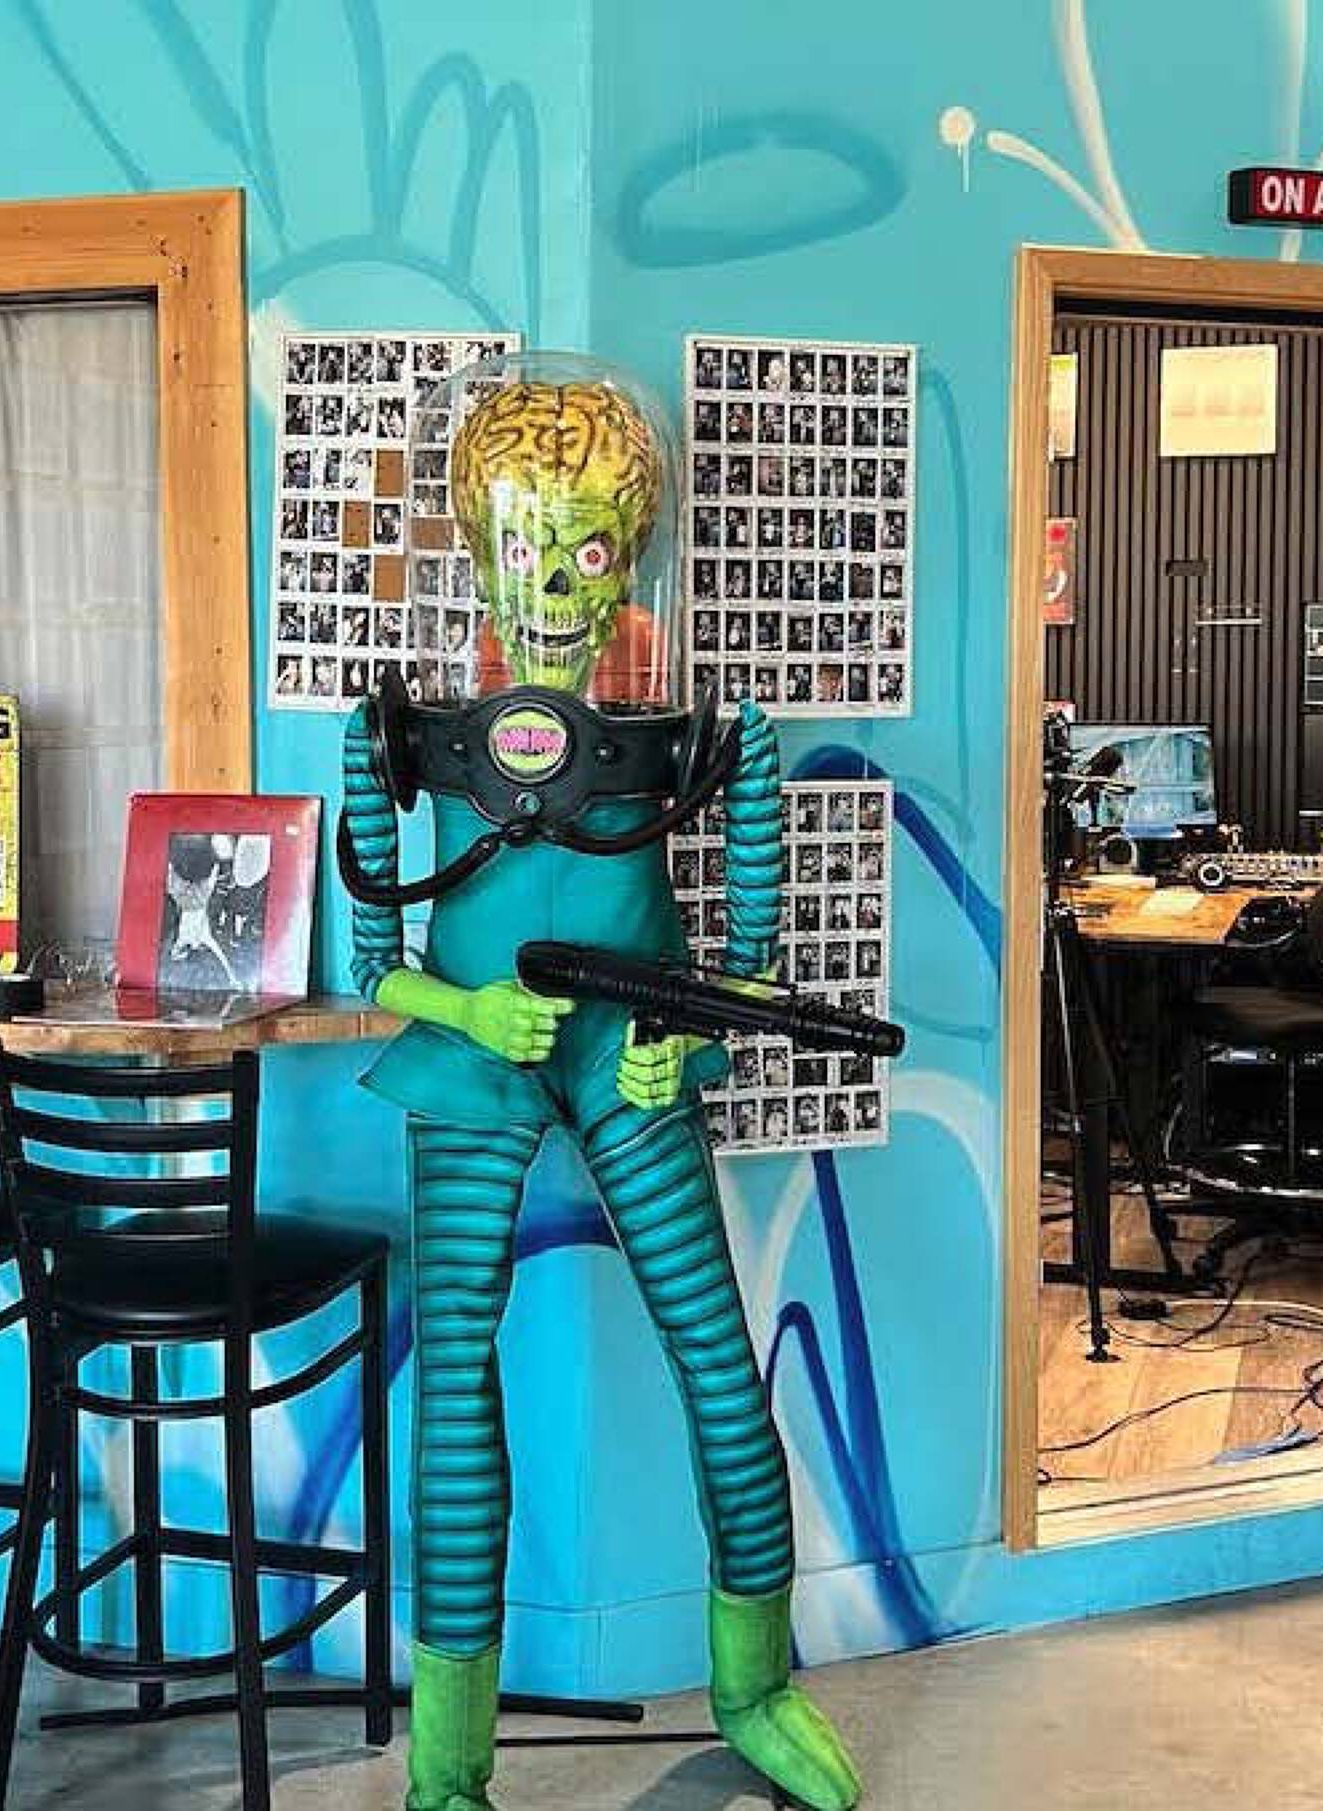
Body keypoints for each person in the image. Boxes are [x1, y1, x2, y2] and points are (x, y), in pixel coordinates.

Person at [342, 362, 859, 1811]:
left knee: (718, 1363)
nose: (559, 583)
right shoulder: (402, 731)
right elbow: (365, 957)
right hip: (478, 1059)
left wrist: (687, 1035)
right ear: (475, 546)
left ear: (631, 553)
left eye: (590, 549)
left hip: (635, 1048)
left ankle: (756, 1686)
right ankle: (448, 1772)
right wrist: (465, 1006)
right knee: (456, 1379)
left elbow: (747, 955)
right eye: (530, 544)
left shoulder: (707, 731)